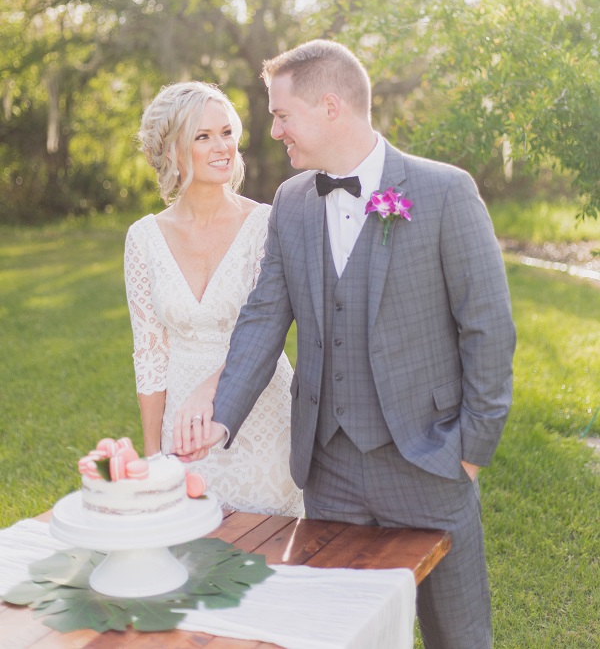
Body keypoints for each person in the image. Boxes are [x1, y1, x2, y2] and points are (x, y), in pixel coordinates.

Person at [181, 40, 516, 649]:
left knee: (457, 636)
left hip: (430, 462)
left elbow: (487, 327)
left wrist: (471, 448)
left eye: (282, 115)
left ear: (330, 106)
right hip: (329, 470)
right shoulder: (291, 202)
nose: (274, 130)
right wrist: (221, 419)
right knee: (337, 634)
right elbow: (263, 318)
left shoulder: (444, 192)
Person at [124, 81, 303, 516]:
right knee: (187, 557)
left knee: (274, 559)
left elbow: (269, 330)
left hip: (264, 419)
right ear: (171, 151)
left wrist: (216, 389)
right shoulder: (143, 238)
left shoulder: (266, 224)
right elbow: (150, 354)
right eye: (203, 137)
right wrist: (153, 456)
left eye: (226, 132)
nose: (221, 146)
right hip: (182, 429)